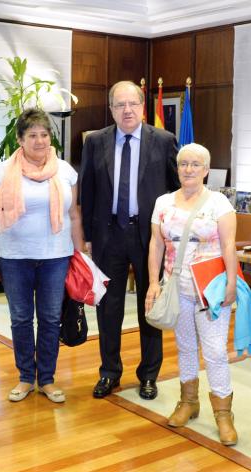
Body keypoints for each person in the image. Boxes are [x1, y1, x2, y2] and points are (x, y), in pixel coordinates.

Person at [79, 80, 179, 400]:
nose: (127, 110)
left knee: (150, 306)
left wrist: (171, 237)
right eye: (120, 105)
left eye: (132, 104)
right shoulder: (95, 142)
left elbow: (177, 192)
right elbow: (88, 192)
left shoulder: (163, 141)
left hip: (150, 237)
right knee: (109, 309)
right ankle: (110, 372)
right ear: (111, 109)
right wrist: (89, 239)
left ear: (142, 107)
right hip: (108, 236)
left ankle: (149, 374)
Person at [0, 108, 85, 404]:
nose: (40, 141)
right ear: (19, 139)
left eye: (44, 134)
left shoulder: (66, 171)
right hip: (13, 256)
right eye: (32, 135)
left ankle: (48, 379)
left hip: (56, 255)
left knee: (51, 318)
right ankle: (26, 377)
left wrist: (80, 255)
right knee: (21, 318)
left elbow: (74, 215)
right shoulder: (2, 172)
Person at [146, 143, 239, 445]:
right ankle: (188, 402)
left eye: (196, 164)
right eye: (183, 164)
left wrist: (231, 283)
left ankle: (224, 414)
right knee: (185, 347)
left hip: (209, 288)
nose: (188, 169)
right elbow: (155, 244)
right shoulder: (162, 202)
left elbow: (228, 245)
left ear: (206, 169)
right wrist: (153, 282)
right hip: (176, 286)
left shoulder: (219, 203)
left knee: (214, 351)